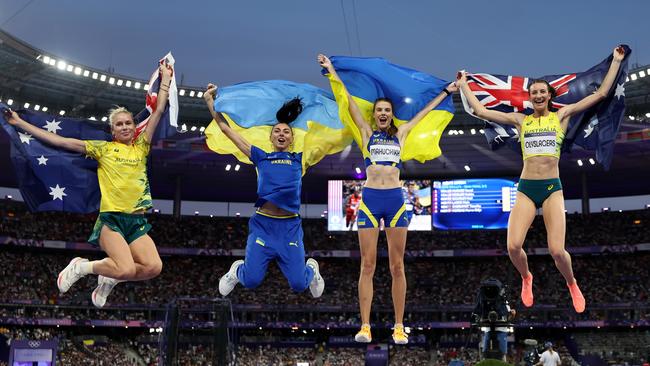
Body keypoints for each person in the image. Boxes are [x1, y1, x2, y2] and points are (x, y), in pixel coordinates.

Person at [458, 46, 626, 313]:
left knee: (557, 251)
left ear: (549, 96)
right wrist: (464, 84)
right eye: (534, 92)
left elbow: (602, 93)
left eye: (542, 92)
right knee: (513, 247)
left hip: (551, 189)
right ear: (530, 97)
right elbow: (480, 111)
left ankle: (571, 283)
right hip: (526, 188)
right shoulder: (520, 120)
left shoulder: (562, 116)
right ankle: (527, 277)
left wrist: (616, 61)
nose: (537, 95)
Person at [5, 63, 174, 308]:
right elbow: (61, 141)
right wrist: (20, 124)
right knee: (125, 268)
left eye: (128, 123)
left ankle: (108, 279)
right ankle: (81, 267)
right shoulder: (102, 149)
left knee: (153, 267)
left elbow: (158, 111)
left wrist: (166, 79)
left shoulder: (142, 147)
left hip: (136, 221)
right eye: (120, 124)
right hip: (112, 220)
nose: (126, 126)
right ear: (113, 130)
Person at [319, 54, 457, 344]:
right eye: (379, 110)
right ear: (374, 115)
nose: (382, 113)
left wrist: (447, 91)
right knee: (367, 265)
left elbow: (423, 112)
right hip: (370, 201)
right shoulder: (366, 133)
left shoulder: (402, 134)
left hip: (395, 201)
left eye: (387, 110)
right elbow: (350, 103)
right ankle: (365, 326)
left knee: (397, 266)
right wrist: (333, 72)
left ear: (391, 115)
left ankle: (398, 325)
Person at [202, 83, 324, 299]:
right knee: (251, 281)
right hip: (263, 226)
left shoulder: (300, 158)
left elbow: (326, 137)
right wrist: (210, 103)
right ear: (270, 138)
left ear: (292, 138)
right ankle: (236, 271)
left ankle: (312, 269)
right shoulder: (260, 157)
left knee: (298, 285)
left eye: (286, 131)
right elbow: (226, 129)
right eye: (277, 131)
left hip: (289, 228)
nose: (281, 134)